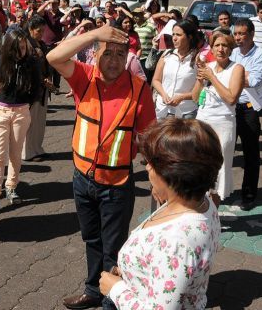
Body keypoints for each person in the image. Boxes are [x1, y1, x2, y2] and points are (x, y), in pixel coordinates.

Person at [47, 23, 156, 310]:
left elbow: (149, 139)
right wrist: (95, 34)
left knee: (114, 249)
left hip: (117, 185)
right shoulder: (85, 78)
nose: (114, 60)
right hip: (82, 179)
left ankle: (113, 300)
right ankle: (93, 290)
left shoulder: (139, 89)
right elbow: (53, 58)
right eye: (108, 53)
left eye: (121, 55)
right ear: (96, 55)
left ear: (128, 59)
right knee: (91, 239)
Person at [99, 118, 222, 309]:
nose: (147, 168)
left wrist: (115, 289)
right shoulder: (203, 201)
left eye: (151, 164)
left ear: (172, 174)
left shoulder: (176, 242)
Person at [0, 29, 39, 218]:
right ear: (8, 46)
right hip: (0, 110)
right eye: (17, 47)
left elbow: (36, 88)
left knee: (15, 154)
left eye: (23, 46)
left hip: (21, 111)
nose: (21, 50)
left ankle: (11, 187)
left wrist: (25, 103)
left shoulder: (32, 62)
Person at [192, 31, 244, 205]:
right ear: (211, 49)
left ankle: (214, 212)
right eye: (217, 45)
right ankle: (199, 207)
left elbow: (231, 98)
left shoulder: (237, 68)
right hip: (203, 120)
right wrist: (201, 79)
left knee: (218, 169)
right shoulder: (208, 67)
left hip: (223, 122)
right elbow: (194, 97)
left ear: (230, 49)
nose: (221, 49)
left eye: (225, 45)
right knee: (199, 165)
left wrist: (212, 78)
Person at [230, 19, 262, 211]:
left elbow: (254, 80)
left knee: (251, 154)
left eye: (241, 34)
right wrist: (240, 76)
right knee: (225, 150)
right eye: (235, 34)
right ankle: (223, 191)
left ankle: (248, 194)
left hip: (248, 109)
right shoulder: (232, 52)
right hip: (229, 107)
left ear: (252, 34)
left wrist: (233, 77)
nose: (237, 38)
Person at [152, 20, 199, 119]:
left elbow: (199, 90)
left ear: (189, 37)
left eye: (178, 35)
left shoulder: (198, 59)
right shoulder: (167, 54)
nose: (174, 38)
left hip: (186, 111)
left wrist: (182, 97)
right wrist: (163, 94)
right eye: (173, 34)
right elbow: (156, 80)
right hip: (163, 109)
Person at [23, 15, 52, 162]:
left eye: (43, 31)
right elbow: (26, 69)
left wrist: (48, 78)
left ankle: (37, 148)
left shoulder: (41, 44)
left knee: (40, 121)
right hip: (31, 90)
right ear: (30, 29)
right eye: (38, 31)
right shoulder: (25, 44)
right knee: (30, 122)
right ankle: (28, 152)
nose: (41, 34)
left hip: (42, 89)